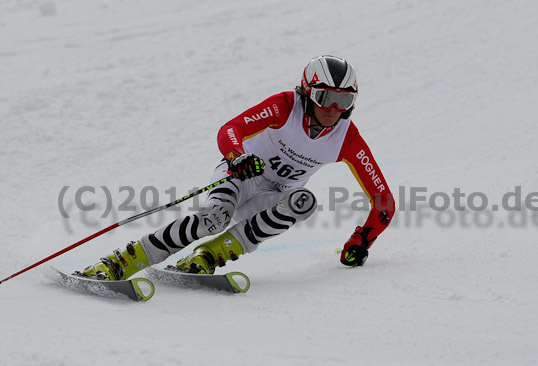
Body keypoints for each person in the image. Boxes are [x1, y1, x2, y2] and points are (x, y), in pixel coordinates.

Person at [81, 55, 396, 281]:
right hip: (242, 176)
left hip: (275, 196)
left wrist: (362, 239)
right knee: (212, 220)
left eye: (343, 101)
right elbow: (231, 129)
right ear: (306, 92)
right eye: (325, 97)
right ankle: (124, 260)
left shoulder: (347, 139)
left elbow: (383, 200)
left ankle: (210, 256)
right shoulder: (284, 106)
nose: (333, 109)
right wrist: (237, 156)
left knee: (304, 203)